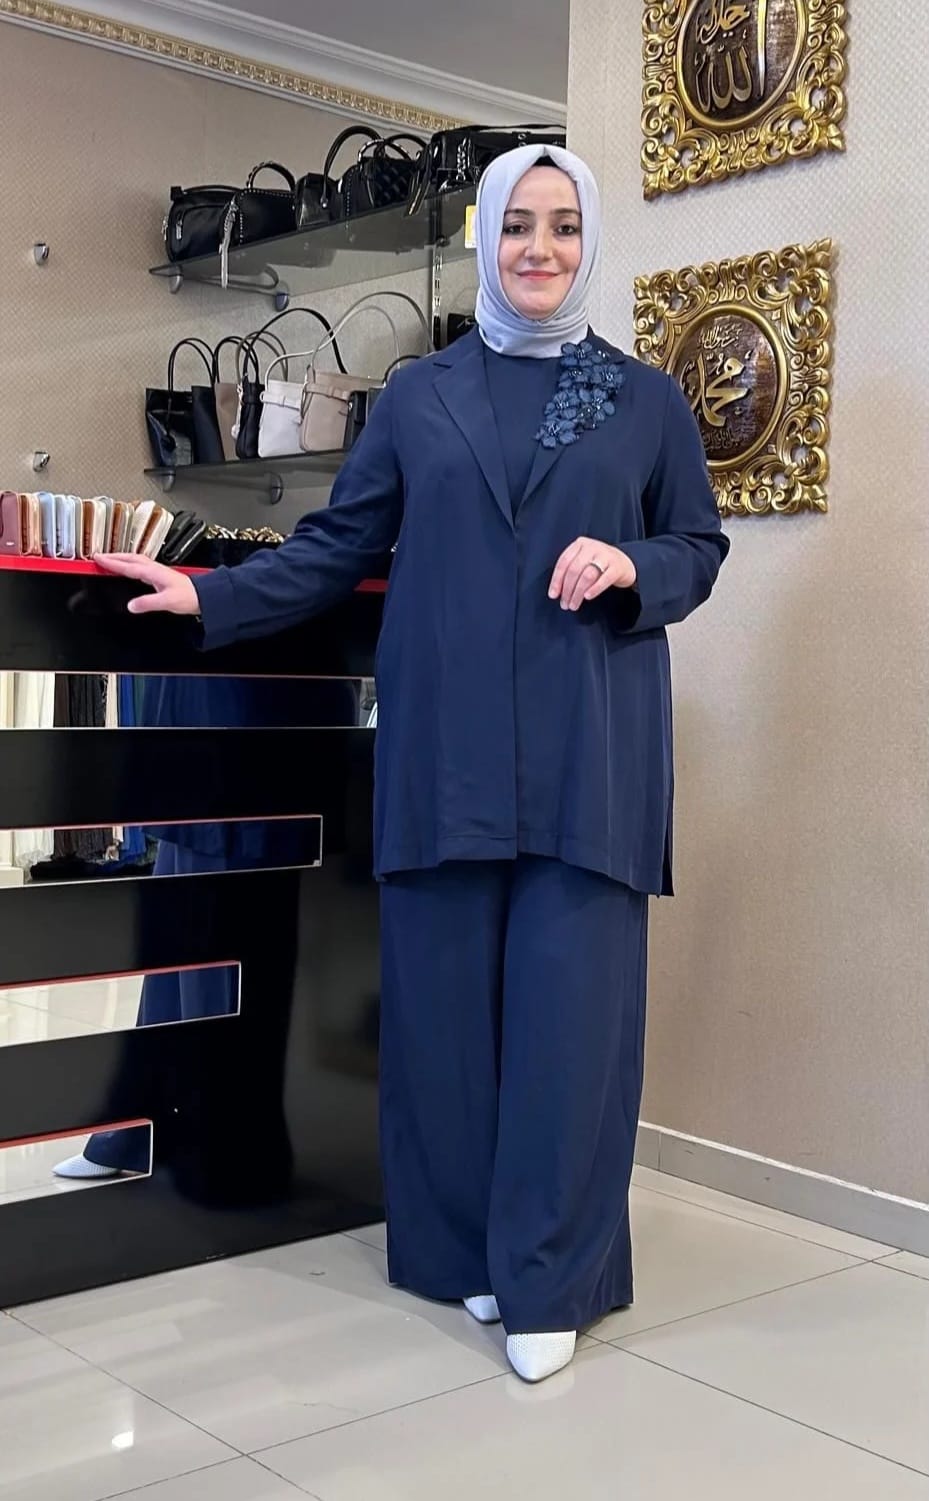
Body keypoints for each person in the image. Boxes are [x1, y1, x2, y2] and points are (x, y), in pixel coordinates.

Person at [97, 144, 729, 1383]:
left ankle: (550, 1274)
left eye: (561, 225)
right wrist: (208, 592)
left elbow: (697, 547)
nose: (538, 248)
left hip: (588, 759)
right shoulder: (417, 397)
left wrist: (631, 566)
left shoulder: (643, 399)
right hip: (446, 755)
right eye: (516, 225)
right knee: (442, 1029)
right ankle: (466, 1253)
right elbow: (336, 548)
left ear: (587, 241)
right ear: (486, 237)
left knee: (568, 1030)